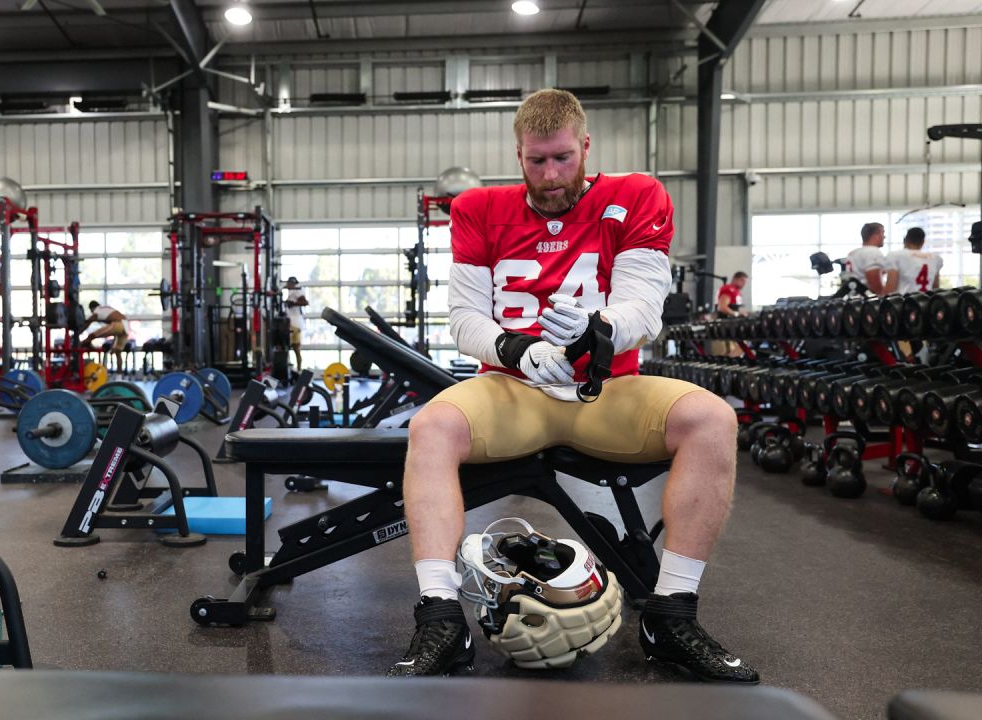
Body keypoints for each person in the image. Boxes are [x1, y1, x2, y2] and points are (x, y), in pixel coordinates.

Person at [387, 89, 757, 684]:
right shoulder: (477, 209)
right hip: (512, 391)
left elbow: (644, 302)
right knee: (432, 426)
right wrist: (517, 348)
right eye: (537, 161)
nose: (551, 174)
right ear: (519, 154)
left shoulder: (636, 196)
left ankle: (671, 615)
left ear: (585, 146)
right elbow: (465, 319)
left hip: (605, 389)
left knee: (712, 420)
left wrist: (600, 330)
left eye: (562, 158)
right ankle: (440, 617)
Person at [885, 227, 942, 294]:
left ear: (905, 240)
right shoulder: (935, 258)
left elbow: (891, 287)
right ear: (923, 242)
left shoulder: (895, 256)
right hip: (926, 301)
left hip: (904, 301)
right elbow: (935, 287)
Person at [841, 222, 888, 295]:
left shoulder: (853, 253)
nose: (884, 237)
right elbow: (875, 284)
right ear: (875, 235)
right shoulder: (873, 252)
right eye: (882, 233)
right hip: (867, 300)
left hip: (853, 297)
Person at [284, 277, 308, 371]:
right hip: (292, 322)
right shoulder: (291, 291)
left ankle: (298, 369)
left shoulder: (297, 291)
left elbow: (305, 302)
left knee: (295, 348)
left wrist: (293, 303)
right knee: (292, 348)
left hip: (295, 324)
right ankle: (295, 368)